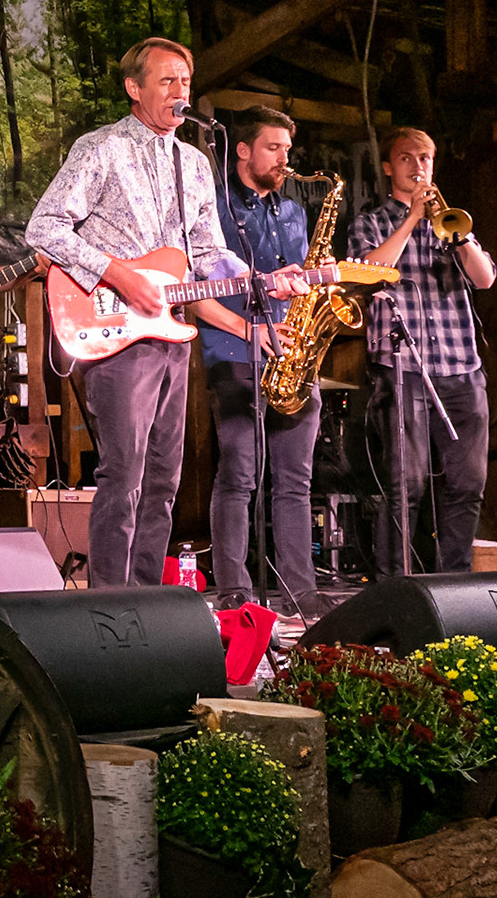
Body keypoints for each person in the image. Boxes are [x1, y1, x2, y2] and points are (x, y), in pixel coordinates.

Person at [25, 37, 305, 589]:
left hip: (171, 333)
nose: (181, 91)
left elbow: (206, 253)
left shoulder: (195, 163)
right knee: (123, 474)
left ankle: (148, 601)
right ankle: (108, 602)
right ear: (135, 88)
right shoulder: (100, 148)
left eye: (186, 80)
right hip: (113, 325)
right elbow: (45, 228)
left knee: (163, 480)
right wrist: (119, 273)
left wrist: (262, 279)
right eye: (167, 80)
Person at [187, 106, 330, 618]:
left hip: (292, 352)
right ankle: (234, 590)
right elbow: (195, 288)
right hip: (233, 351)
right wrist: (248, 328)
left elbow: (297, 282)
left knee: (295, 481)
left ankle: (300, 591)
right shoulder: (214, 207)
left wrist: (318, 282)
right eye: (273, 147)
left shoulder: (293, 212)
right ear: (243, 150)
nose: (284, 159)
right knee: (239, 476)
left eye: (287, 149)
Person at [349, 127, 496, 574]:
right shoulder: (371, 223)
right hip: (403, 370)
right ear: (388, 167)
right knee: (404, 486)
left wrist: (460, 239)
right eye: (407, 158)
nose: (418, 167)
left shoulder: (449, 223)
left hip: (461, 366)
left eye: (425, 158)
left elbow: (485, 279)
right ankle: (395, 586)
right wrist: (411, 219)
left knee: (467, 484)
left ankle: (456, 584)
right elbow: (369, 273)